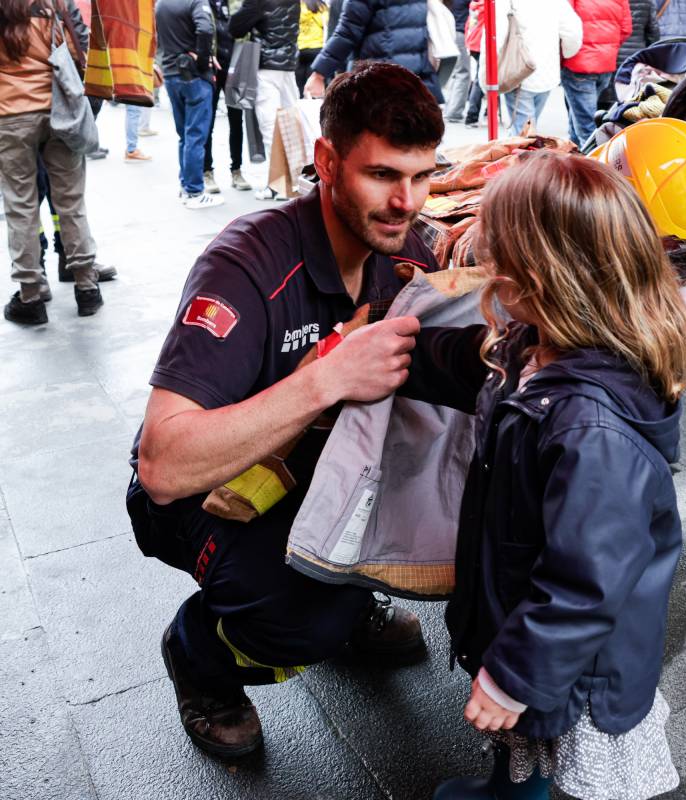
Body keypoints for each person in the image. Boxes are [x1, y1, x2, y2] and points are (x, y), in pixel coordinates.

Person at [129, 62, 442, 759]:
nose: (408, 202)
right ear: (325, 161)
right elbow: (163, 466)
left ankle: (349, 598)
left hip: (324, 465)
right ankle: (199, 655)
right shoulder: (245, 265)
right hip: (212, 490)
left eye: (422, 177)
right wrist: (325, 380)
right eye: (384, 175)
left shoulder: (406, 249)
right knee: (299, 623)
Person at [398, 152, 686, 800]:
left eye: (492, 256)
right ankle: (510, 791)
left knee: (547, 734)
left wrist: (513, 674)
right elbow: (470, 370)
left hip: (576, 661)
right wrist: (396, 355)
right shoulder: (539, 344)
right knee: (525, 743)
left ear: (531, 279)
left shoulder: (592, 430)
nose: (482, 264)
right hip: (530, 620)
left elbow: (584, 584)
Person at [0, 0, 104, 324]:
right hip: (59, 109)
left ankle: (31, 296)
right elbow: (81, 47)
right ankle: (87, 287)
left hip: (9, 116)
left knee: (21, 206)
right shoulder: (55, 3)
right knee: (71, 202)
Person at [157, 0, 226, 209]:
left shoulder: (161, 4)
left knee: (185, 136)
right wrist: (203, 59)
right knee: (195, 135)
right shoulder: (196, 2)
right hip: (193, 75)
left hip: (171, 73)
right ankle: (195, 191)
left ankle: (186, 186)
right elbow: (205, 29)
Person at [229, 0, 301, 200]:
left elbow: (235, 27)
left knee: (270, 127)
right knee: (290, 125)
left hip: (266, 66)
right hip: (288, 66)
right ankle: (293, 181)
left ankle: (281, 186)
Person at [304, 0, 440, 105]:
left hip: (378, 79)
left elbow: (347, 33)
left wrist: (319, 73)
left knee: (379, 134)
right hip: (414, 75)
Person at [479, 0, 582, 137]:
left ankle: (518, 155)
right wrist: (566, 53)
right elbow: (573, 33)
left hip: (517, 72)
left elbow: (493, 39)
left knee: (524, 136)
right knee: (525, 130)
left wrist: (485, 79)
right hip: (547, 72)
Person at [560, 0, 630, 148]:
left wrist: (563, 55)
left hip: (578, 63)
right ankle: (574, 152)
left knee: (586, 125)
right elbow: (626, 29)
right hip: (605, 63)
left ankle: (591, 160)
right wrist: (608, 48)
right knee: (579, 115)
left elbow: (564, 26)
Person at [202, 0, 250, 194]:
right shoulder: (202, 4)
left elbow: (247, 28)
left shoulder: (237, 3)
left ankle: (236, 170)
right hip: (211, 68)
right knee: (208, 122)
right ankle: (207, 172)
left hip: (235, 67)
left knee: (237, 122)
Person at [598, 0, 659, 109]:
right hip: (634, 58)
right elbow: (653, 32)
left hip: (608, 54)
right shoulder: (647, 2)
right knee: (629, 99)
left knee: (605, 99)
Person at [442, 0, 472, 122]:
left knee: (456, 73)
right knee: (463, 73)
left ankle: (450, 109)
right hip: (460, 33)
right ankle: (454, 112)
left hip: (451, 32)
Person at [295, 0, 328, 93]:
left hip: (301, 48)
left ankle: (301, 100)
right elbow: (326, 23)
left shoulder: (300, 6)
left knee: (299, 84)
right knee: (312, 84)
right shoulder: (322, 6)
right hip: (317, 48)